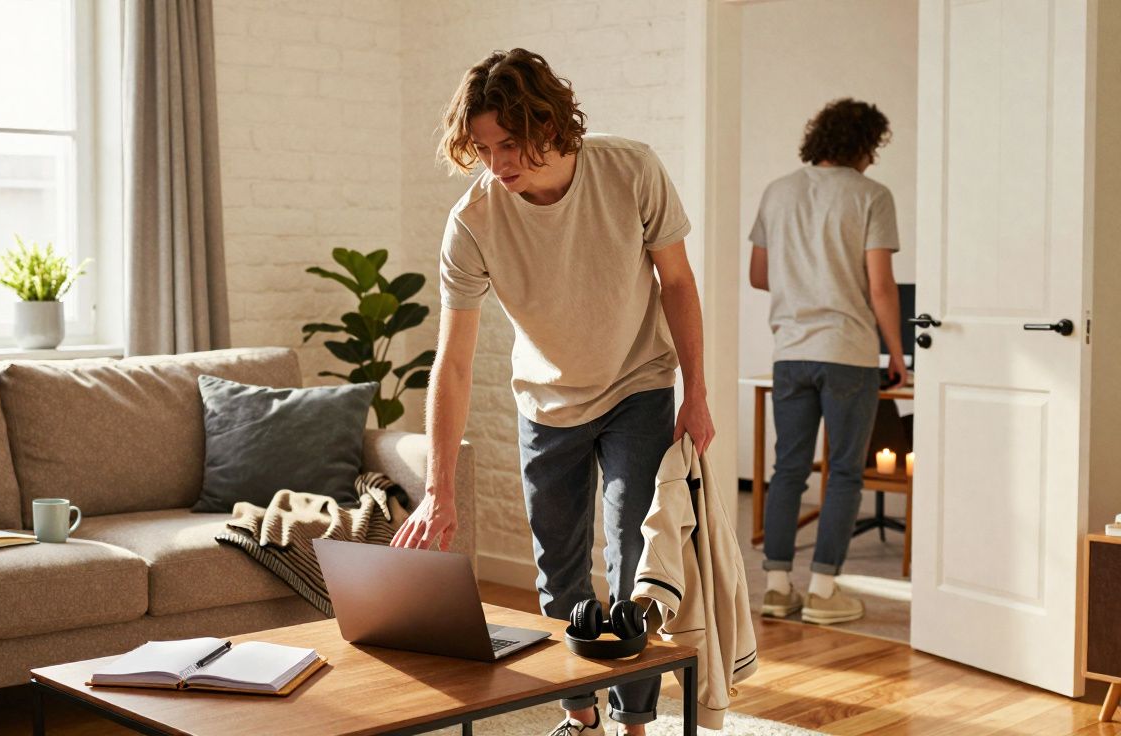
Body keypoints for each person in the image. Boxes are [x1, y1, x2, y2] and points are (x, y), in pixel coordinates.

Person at [388, 49, 714, 736]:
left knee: (635, 559)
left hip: (638, 385)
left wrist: (698, 393)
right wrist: (439, 488)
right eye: (482, 148)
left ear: (551, 123)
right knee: (559, 577)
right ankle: (581, 718)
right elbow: (452, 363)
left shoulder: (631, 170)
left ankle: (634, 724)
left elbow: (678, 284)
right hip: (546, 401)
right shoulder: (473, 220)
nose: (498, 163)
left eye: (510, 143)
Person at [748, 98, 906, 626]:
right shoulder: (871, 196)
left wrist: (805, 280)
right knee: (843, 473)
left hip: (790, 353)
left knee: (787, 470)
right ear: (863, 145)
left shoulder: (778, 191)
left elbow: (759, 274)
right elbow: (881, 286)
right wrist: (898, 354)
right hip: (847, 353)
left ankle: (775, 588)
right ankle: (822, 591)